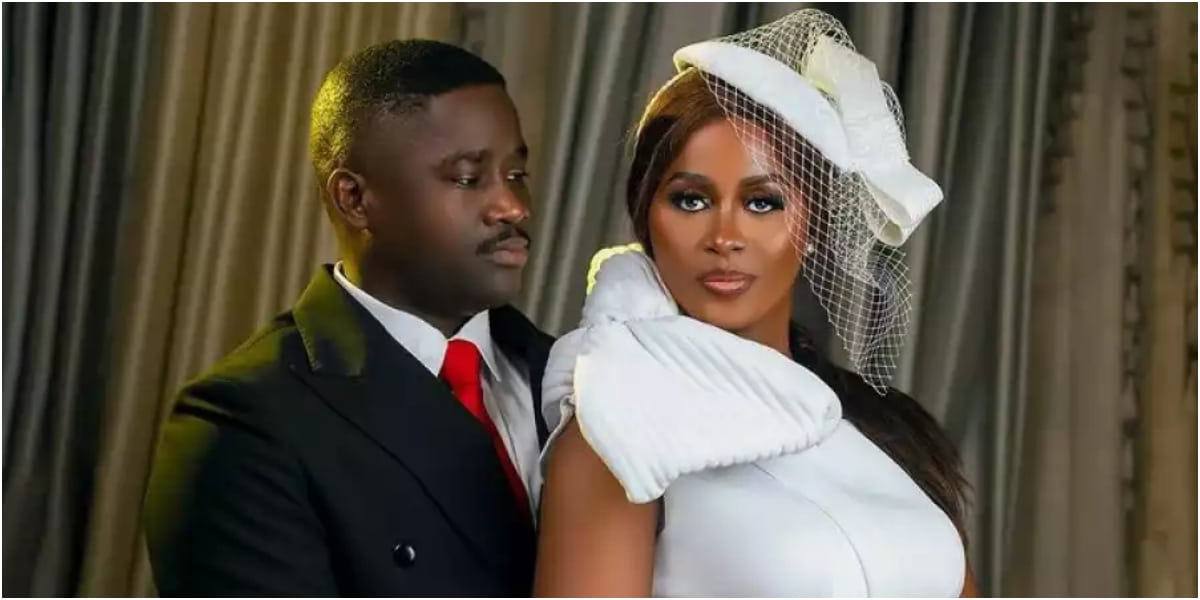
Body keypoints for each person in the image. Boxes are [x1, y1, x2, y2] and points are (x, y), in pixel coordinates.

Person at [534, 10, 977, 597]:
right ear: (645, 219)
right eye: (690, 200)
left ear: (813, 221)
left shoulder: (888, 428)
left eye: (763, 202)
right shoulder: (618, 425)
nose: (725, 237)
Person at [143, 39, 553, 596]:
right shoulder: (241, 424)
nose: (513, 206)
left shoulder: (579, 380)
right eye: (467, 177)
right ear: (355, 199)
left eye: (516, 173)